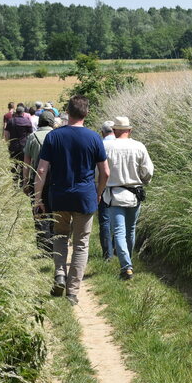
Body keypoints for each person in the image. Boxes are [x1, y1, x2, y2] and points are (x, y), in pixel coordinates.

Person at [33, 95, 109, 303]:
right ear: (86, 113)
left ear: (67, 111)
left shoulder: (54, 137)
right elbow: (105, 172)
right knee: (81, 243)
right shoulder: (94, 138)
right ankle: (73, 290)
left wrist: (38, 198)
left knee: (59, 236)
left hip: (59, 195)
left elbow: (41, 169)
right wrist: (99, 192)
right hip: (85, 196)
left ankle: (59, 274)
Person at [102, 116, 153, 280]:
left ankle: (126, 266)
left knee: (118, 231)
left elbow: (99, 171)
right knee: (130, 230)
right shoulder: (139, 146)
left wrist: (99, 186)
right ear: (129, 130)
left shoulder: (105, 146)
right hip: (134, 194)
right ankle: (127, 264)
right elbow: (148, 171)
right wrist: (143, 181)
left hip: (114, 194)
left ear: (114, 131)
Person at [23, 109, 58, 249]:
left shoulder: (32, 137)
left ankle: (43, 245)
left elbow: (26, 163)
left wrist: (25, 182)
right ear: (52, 122)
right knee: (54, 210)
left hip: (36, 178)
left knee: (39, 210)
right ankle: (55, 242)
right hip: (54, 179)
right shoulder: (57, 136)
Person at [97, 121, 116, 261]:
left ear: (102, 132)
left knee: (105, 220)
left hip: (103, 186)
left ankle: (107, 255)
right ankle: (118, 250)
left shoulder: (99, 145)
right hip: (122, 187)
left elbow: (95, 170)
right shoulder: (124, 144)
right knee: (119, 220)